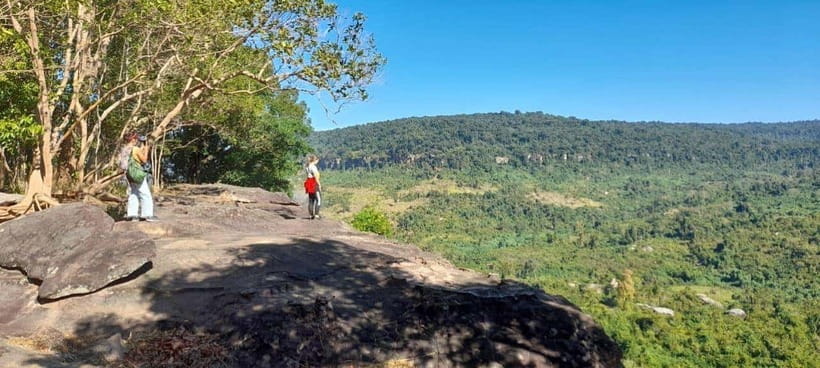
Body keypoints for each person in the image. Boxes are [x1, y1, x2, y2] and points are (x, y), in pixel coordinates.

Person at [123, 132, 158, 222]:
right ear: (133, 140)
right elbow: (144, 160)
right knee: (145, 193)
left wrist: (142, 148)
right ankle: (147, 215)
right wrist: (146, 149)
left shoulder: (125, 148)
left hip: (129, 174)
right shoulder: (135, 149)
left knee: (134, 193)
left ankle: (132, 214)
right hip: (137, 173)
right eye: (136, 139)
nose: (137, 140)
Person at [304, 154, 321, 219]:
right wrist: (319, 185)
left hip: (309, 182)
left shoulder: (307, 166)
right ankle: (316, 215)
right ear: (314, 160)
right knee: (318, 199)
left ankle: (311, 215)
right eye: (317, 160)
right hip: (313, 183)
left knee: (311, 200)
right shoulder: (313, 167)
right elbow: (316, 177)